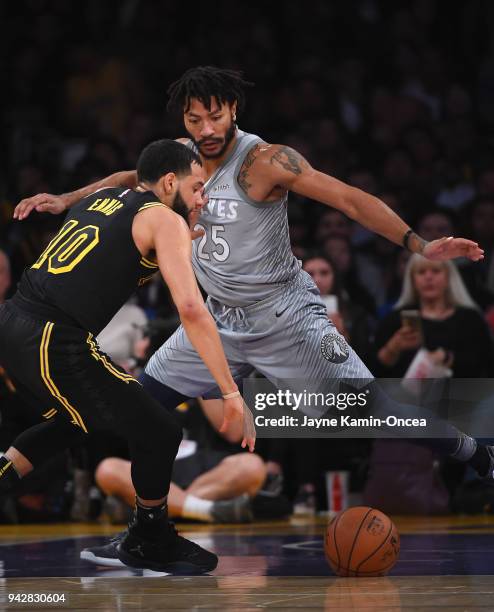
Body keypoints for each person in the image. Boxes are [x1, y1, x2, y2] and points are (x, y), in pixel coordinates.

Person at [14, 66, 493, 561]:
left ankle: (477, 454)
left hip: (284, 316)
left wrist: (419, 244)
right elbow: (129, 180)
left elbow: (349, 199)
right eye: (195, 118)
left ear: (234, 111)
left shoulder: (266, 161)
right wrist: (69, 198)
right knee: (141, 406)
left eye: (215, 117)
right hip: (217, 318)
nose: (205, 130)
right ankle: (145, 532)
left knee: (377, 415)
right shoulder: (179, 157)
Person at [2, 138, 253, 573]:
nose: (203, 198)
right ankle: (150, 539)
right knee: (159, 429)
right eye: (197, 187)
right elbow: (192, 310)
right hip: (52, 338)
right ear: (170, 181)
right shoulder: (162, 220)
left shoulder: (104, 199)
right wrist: (230, 392)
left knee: (74, 422)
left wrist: (65, 199)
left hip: (14, 324)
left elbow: (125, 182)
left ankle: (146, 535)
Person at [374, 254, 493, 378]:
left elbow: (484, 362)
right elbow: (373, 370)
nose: (428, 277)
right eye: (421, 272)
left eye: (436, 271)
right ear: (412, 280)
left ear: (448, 277)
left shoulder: (470, 319)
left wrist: (447, 358)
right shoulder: (395, 320)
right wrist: (393, 347)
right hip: (401, 396)